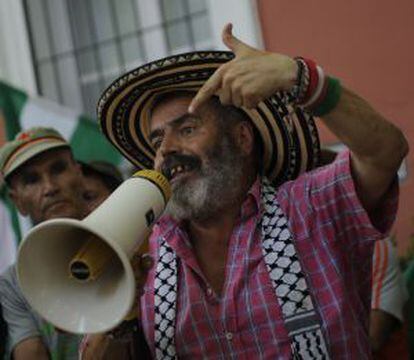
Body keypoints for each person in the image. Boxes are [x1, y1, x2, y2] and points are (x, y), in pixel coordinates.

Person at [91, 23, 407, 358]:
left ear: (243, 138)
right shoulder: (142, 248)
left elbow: (386, 151)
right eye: (157, 141)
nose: (166, 149)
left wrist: (301, 78)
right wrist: (119, 311)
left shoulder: (312, 205)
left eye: (187, 128)